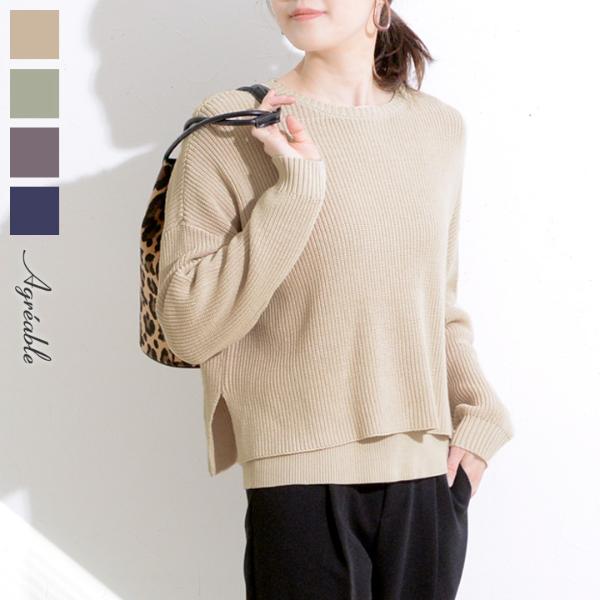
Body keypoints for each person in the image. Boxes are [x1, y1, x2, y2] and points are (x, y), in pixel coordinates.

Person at [156, 0, 515, 597]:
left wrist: (482, 411)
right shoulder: (232, 126)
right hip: (298, 482)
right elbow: (187, 326)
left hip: (427, 480)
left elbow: (436, 302)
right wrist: (295, 192)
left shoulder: (439, 128)